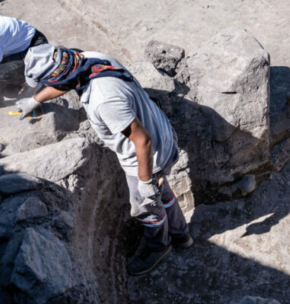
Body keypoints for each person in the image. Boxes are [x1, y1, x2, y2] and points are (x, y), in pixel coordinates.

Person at [19, 44, 193, 276]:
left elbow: (142, 141)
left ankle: (159, 247)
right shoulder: (91, 59)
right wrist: (36, 99)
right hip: (162, 131)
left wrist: (144, 180)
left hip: (146, 157)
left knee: (146, 207)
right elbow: (68, 81)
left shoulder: (104, 100)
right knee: (162, 190)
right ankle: (182, 236)